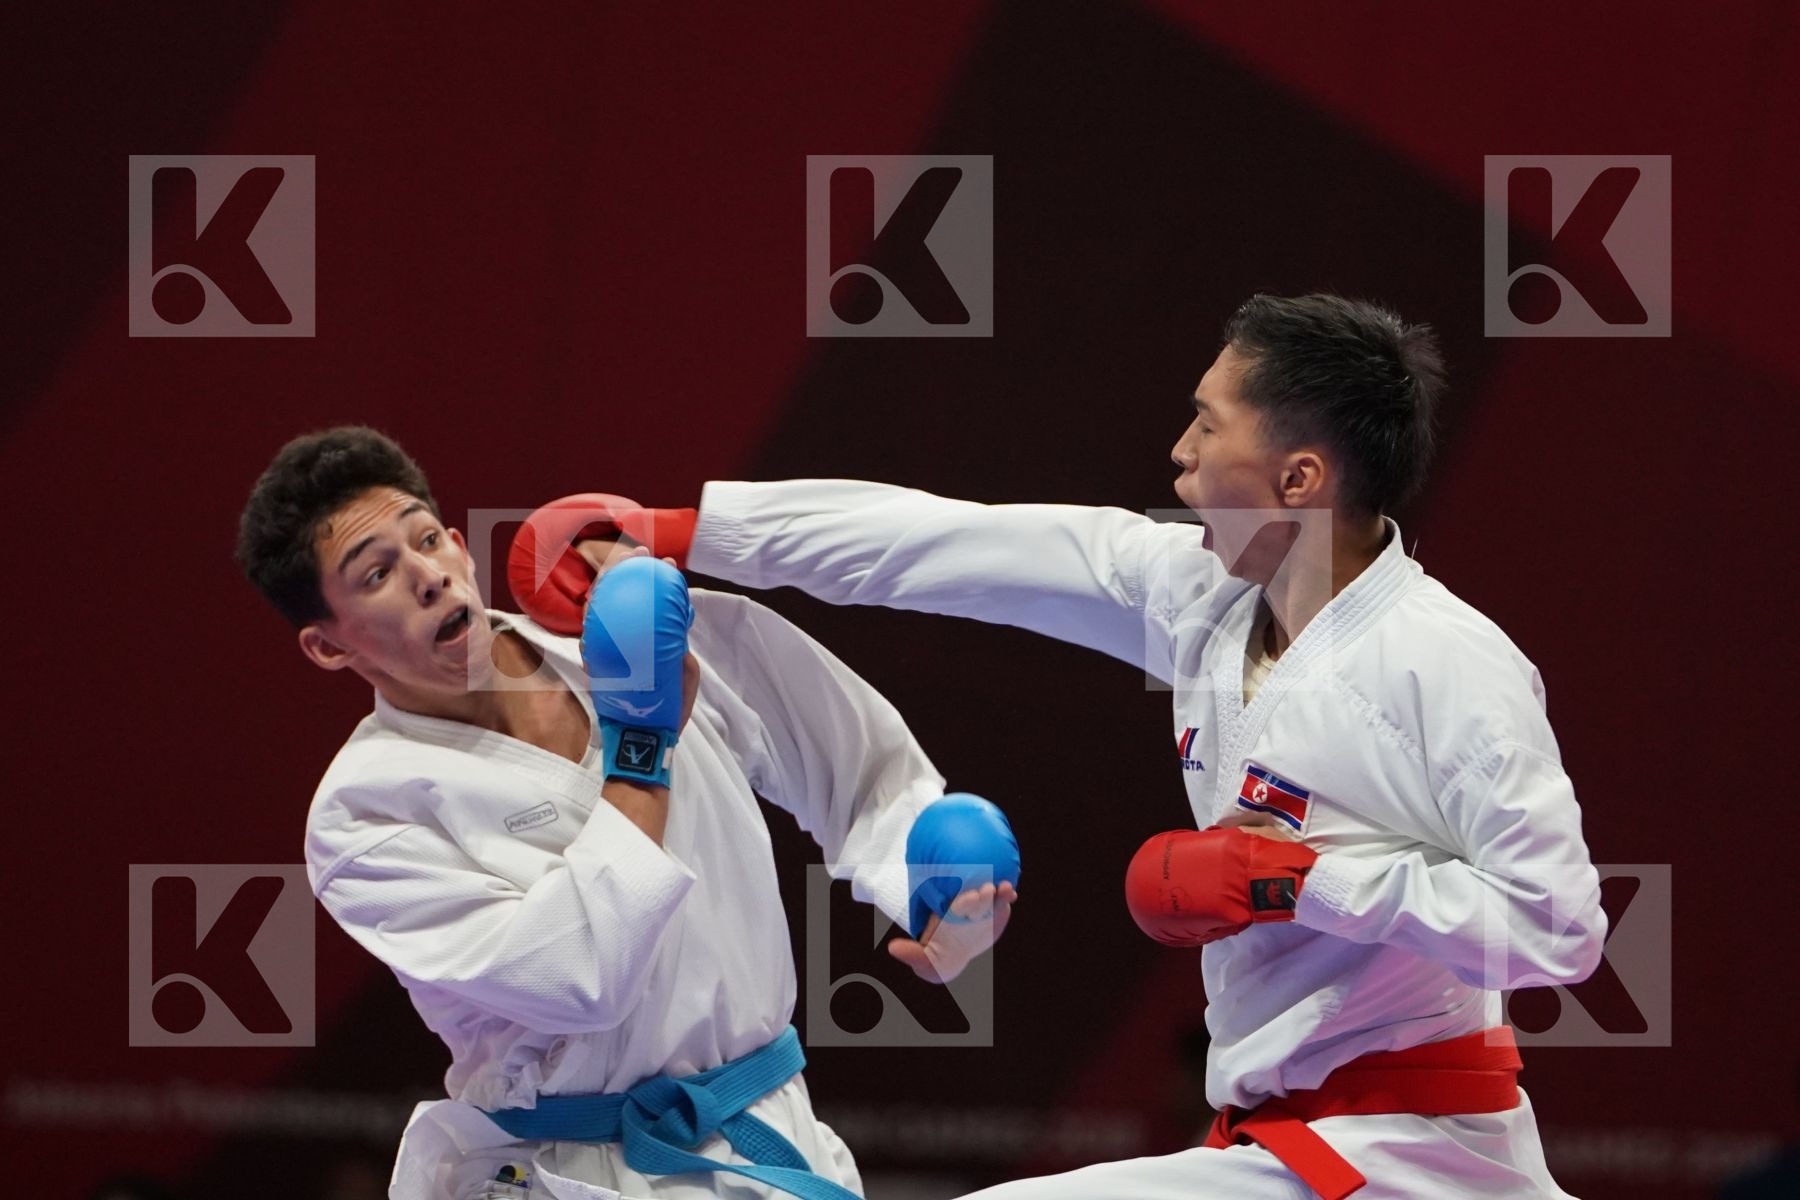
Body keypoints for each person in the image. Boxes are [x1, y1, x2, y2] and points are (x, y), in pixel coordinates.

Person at [611, 294, 1606, 1198]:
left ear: (1298, 476)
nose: (1179, 451)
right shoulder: (1204, 596)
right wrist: (685, 530)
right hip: (1290, 1152)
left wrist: (1296, 881)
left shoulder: (1448, 666)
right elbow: (947, 546)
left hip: (1418, 1154)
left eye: (1208, 426)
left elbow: (1559, 929)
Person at [234, 427, 1019, 1200]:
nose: (428, 576)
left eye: (429, 539)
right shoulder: (363, 814)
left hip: (771, 1133)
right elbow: (579, 976)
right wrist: (642, 745)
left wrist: (930, 893)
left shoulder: (627, 628)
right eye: (376, 575)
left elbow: (846, 757)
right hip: (577, 1170)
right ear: (328, 648)